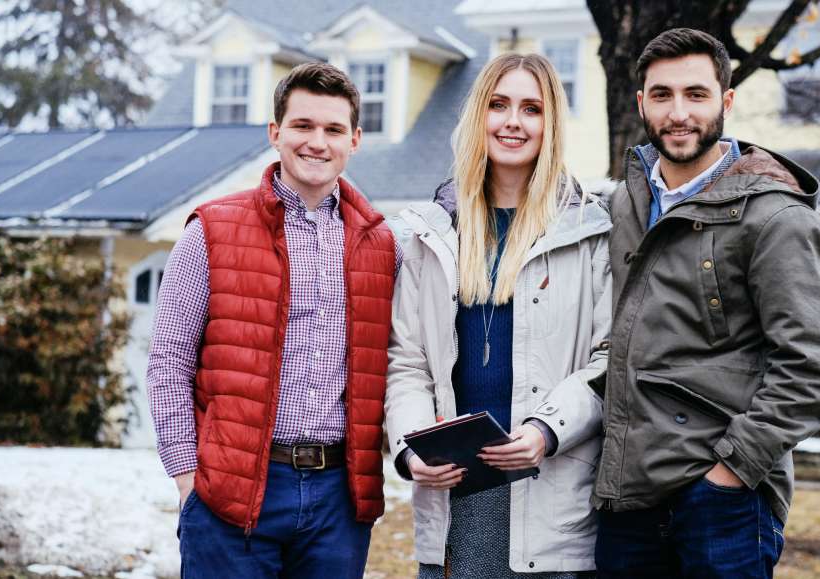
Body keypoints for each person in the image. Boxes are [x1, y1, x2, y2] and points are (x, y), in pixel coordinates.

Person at [591, 28, 820, 578]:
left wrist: (729, 473)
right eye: (662, 95)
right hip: (626, 497)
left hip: (722, 503)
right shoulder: (623, 206)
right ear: (641, 103)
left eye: (696, 94)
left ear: (726, 101)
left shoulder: (774, 218)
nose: (679, 112)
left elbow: (811, 370)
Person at [147, 62, 400, 579]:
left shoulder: (381, 245)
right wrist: (188, 476)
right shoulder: (212, 230)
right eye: (303, 126)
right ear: (275, 132)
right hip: (231, 491)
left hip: (338, 500)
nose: (317, 142)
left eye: (333, 129)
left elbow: (395, 362)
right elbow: (169, 361)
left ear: (355, 139)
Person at [385, 53, 611, 578]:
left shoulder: (588, 231)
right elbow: (408, 363)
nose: (513, 121)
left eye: (531, 108)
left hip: (548, 484)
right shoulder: (433, 234)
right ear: (476, 116)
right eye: (498, 104)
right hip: (456, 490)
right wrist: (413, 449)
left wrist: (547, 430)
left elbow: (610, 358)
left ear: (550, 123)